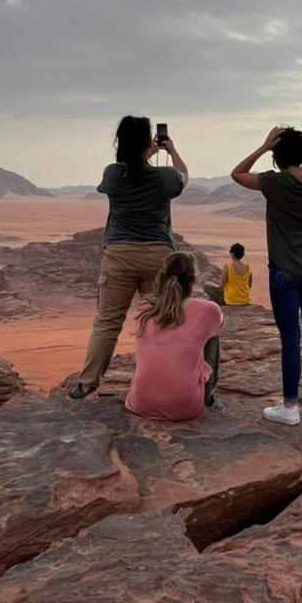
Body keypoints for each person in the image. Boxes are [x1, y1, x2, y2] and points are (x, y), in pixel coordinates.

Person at [68, 115, 189, 401]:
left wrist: (141, 152)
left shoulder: (112, 174)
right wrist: (170, 151)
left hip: (120, 255)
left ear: (120, 143)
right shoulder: (165, 177)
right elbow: (184, 176)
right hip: (158, 256)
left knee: (108, 322)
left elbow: (127, 170)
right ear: (150, 142)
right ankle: (161, 383)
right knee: (160, 320)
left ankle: (86, 384)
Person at [231, 126, 302, 426]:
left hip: (284, 271)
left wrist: (264, 147)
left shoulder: (273, 182)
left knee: (290, 336)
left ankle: (290, 407)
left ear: (277, 155)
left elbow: (237, 174)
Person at [124, 252, 225, 420]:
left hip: (141, 403)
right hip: (186, 407)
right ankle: (210, 397)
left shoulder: (144, 307)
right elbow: (218, 328)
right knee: (212, 337)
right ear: (193, 281)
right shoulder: (209, 310)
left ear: (162, 277)